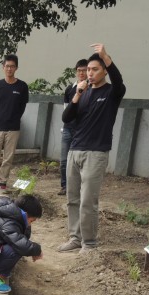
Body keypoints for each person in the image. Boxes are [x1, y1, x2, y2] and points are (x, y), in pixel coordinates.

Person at [58, 44, 126, 254]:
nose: (90, 73)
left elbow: (119, 82)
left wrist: (106, 57)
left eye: (95, 69)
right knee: (72, 198)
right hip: (75, 150)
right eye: (88, 70)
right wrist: (77, 95)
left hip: (96, 152)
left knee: (88, 200)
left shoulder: (112, 92)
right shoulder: (83, 92)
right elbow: (66, 118)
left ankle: (89, 243)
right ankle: (74, 238)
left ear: (104, 70)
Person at [0, 55, 29, 193]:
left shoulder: (22, 86)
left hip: (13, 128)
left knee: (8, 158)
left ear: (16, 68)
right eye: (7, 66)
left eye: (12, 66)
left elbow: (22, 106)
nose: (9, 68)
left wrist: (14, 118)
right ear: (3, 67)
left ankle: (2, 181)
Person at [59, 59, 89, 196]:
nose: (81, 73)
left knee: (80, 162)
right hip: (67, 129)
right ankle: (64, 186)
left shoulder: (90, 89)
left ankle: (78, 188)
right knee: (64, 160)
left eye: (84, 70)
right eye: (79, 70)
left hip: (82, 130)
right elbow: (66, 110)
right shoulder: (70, 89)